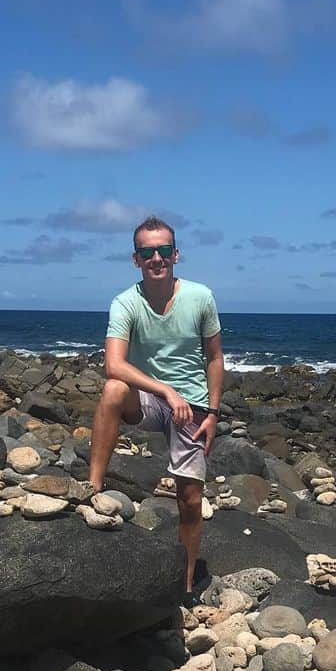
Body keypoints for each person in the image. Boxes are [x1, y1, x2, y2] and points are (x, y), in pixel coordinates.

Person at [88, 215, 224, 606]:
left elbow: (214, 358)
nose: (157, 258)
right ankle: (91, 488)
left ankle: (183, 585)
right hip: (150, 399)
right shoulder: (125, 302)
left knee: (191, 499)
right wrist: (165, 390)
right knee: (114, 389)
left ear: (176, 254)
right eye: (148, 252)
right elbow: (113, 365)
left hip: (194, 404)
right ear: (136, 260)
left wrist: (213, 413)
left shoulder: (200, 297)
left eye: (164, 250)